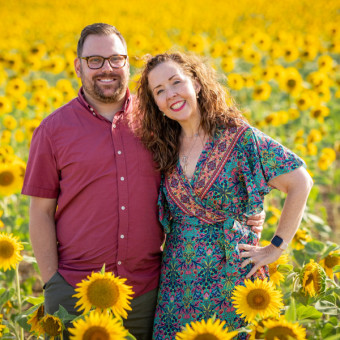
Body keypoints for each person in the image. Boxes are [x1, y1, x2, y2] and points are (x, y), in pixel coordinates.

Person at [21, 24, 265, 340]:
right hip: (75, 290)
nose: (106, 68)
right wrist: (52, 282)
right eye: (94, 60)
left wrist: (246, 208)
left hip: (148, 292)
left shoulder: (160, 119)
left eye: (116, 59)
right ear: (77, 65)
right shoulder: (53, 130)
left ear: (127, 63)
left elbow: (207, 160)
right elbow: (40, 211)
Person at [135, 52, 313, 339]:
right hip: (179, 287)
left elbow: (300, 182)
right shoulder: (163, 147)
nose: (170, 94)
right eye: (159, 91)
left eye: (175, 82)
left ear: (197, 83)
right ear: (155, 104)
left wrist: (275, 247)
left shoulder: (239, 137)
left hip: (234, 279)